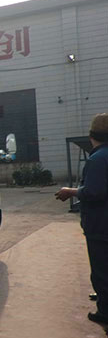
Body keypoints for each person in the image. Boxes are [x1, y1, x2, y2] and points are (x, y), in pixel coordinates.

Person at [56, 113, 108, 324]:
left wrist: (70, 191)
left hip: (100, 226)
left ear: (91, 136)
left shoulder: (97, 159)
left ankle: (104, 312)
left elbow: (94, 191)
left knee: (101, 271)